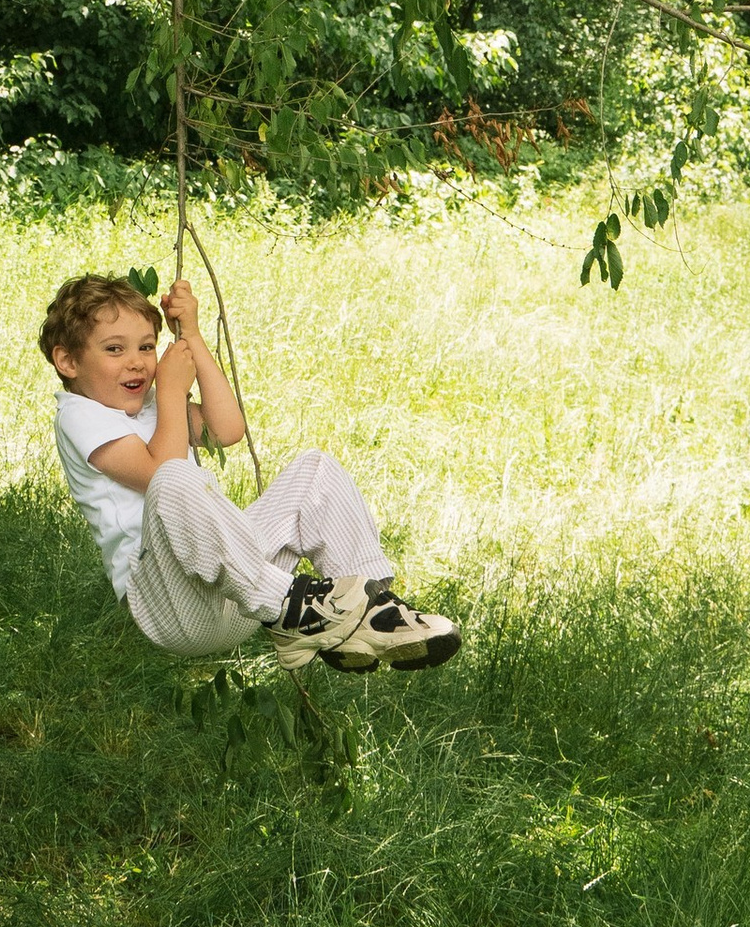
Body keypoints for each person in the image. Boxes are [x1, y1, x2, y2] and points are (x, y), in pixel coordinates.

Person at [40, 269, 460, 669]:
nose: (137, 362)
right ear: (68, 362)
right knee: (174, 476)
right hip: (170, 605)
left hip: (233, 591)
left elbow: (227, 429)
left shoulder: (153, 405)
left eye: (147, 347)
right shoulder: (78, 413)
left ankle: (371, 613)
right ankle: (294, 606)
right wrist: (170, 389)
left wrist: (194, 338)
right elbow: (158, 473)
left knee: (314, 471)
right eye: (115, 349)